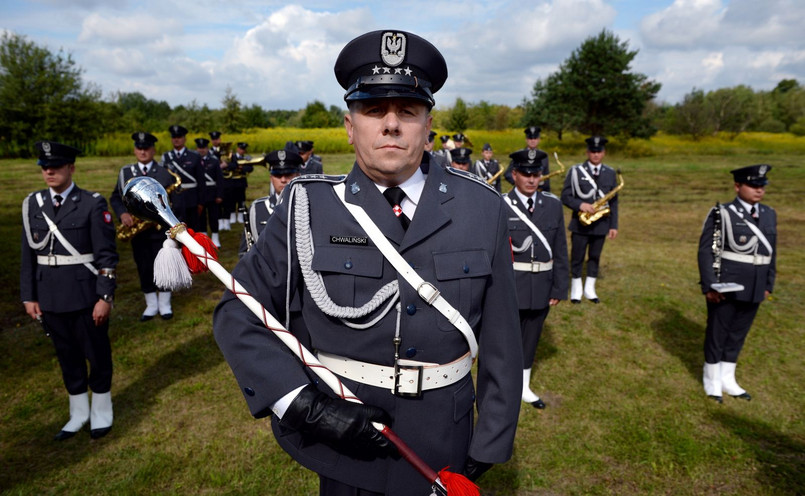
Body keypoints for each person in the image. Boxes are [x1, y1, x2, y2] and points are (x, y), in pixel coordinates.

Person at [213, 29, 522, 496]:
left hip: (445, 436)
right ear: (349, 124)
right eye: (374, 110)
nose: (391, 124)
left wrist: (492, 438)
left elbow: (502, 337)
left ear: (428, 123)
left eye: (408, 111)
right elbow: (238, 311)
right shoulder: (307, 207)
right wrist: (300, 406)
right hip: (343, 440)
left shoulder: (483, 208)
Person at [21, 141, 118, 440]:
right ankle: (78, 413)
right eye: (44, 167)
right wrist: (29, 295)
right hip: (49, 296)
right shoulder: (32, 204)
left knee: (96, 354)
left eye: (56, 166)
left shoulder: (91, 203)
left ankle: (101, 411)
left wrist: (105, 296)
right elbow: (28, 255)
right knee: (67, 357)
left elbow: (106, 256)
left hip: (85, 296)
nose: (49, 171)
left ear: (71, 168)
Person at [697, 165, 776, 403]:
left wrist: (768, 283)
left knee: (738, 333)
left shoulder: (770, 213)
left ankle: (728, 379)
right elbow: (705, 252)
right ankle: (711, 379)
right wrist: (710, 285)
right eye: (753, 185)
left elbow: (771, 252)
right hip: (727, 284)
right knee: (718, 332)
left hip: (755, 284)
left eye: (762, 186)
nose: (759, 191)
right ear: (737, 186)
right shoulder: (721, 213)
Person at [505, 149, 568, 409]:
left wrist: (560, 286)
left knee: (531, 338)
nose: (532, 180)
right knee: (507, 339)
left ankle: (524, 386)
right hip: (512, 286)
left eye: (536, 174)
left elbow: (561, 248)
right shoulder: (501, 203)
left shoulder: (552, 204)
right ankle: (504, 386)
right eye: (526, 174)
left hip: (541, 285)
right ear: (515, 174)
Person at [110, 132, 178, 320]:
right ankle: (151, 304)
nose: (142, 151)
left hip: (159, 230)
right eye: (139, 148)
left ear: (153, 150)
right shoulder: (125, 172)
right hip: (138, 232)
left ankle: (165, 304)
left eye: (146, 148)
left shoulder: (164, 172)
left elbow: (173, 200)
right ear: (134, 150)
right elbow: (116, 197)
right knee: (144, 265)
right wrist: (122, 214)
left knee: (163, 265)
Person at [561, 136, 619, 304]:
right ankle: (577, 288)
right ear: (587, 152)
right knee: (577, 256)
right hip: (581, 223)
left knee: (595, 256)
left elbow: (614, 201)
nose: (595, 155)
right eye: (592, 151)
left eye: (599, 151)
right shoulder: (576, 171)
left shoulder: (610, 173)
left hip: (601, 223)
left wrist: (613, 225)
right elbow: (565, 196)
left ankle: (590, 288)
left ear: (604, 153)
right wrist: (580, 204)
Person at [238, 149, 302, 257]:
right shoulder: (257, 208)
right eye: (278, 175)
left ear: (297, 176)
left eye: (288, 175)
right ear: (271, 178)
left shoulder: (309, 206)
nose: (283, 180)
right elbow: (245, 251)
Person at [162, 125, 206, 232]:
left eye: (179, 137)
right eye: (174, 137)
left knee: (193, 229)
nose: (176, 139)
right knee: (174, 228)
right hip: (174, 198)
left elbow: (201, 181)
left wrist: (201, 202)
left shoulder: (194, 156)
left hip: (191, 198)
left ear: (184, 139)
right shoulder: (166, 156)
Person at [195, 137, 224, 248]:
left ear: (207, 148)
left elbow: (220, 179)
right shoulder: (194, 161)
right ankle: (204, 239)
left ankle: (215, 238)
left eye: (203, 148)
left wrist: (220, 194)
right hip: (199, 194)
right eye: (199, 148)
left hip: (212, 193)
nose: (201, 150)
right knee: (201, 217)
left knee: (213, 216)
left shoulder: (214, 161)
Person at [504, 126, 551, 191]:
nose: (533, 141)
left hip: (539, 192)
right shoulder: (519, 155)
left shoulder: (543, 157)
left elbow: (547, 176)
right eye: (530, 138)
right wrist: (519, 183)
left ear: (539, 140)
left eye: (535, 138)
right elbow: (508, 174)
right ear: (526, 140)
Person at [221, 142, 254, 225]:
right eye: (241, 149)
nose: (242, 151)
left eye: (244, 149)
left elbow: (250, 168)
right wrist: (237, 166)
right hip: (232, 182)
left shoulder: (247, 158)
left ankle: (240, 215)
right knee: (231, 199)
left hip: (241, 182)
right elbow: (228, 165)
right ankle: (232, 216)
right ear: (238, 149)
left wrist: (241, 167)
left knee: (241, 199)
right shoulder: (231, 157)